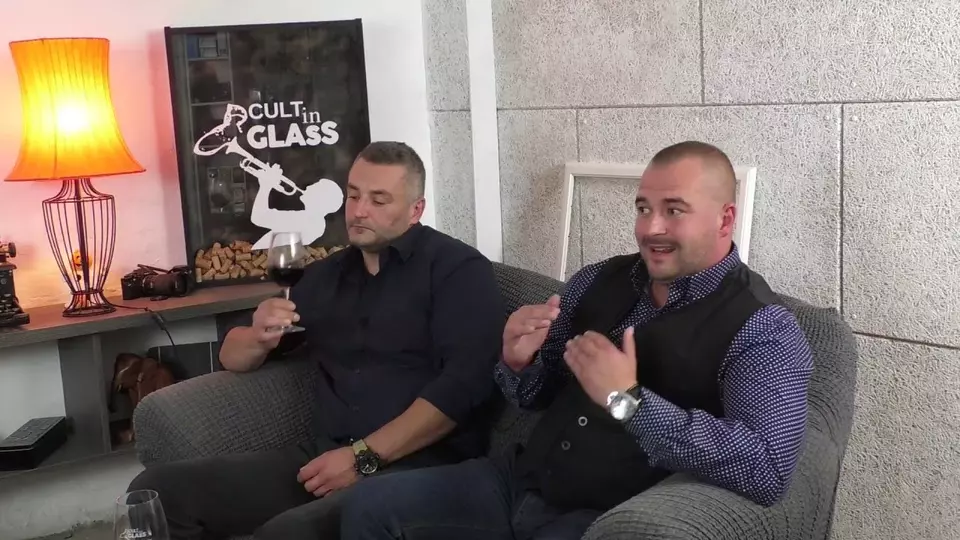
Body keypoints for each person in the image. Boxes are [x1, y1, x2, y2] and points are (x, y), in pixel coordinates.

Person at [338, 140, 815, 540]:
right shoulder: (598, 280)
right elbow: (536, 393)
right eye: (643, 208)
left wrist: (627, 401)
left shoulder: (763, 328)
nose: (651, 228)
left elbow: (766, 469)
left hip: (607, 515)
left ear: (725, 220)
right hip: (517, 482)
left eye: (674, 211)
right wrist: (517, 363)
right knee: (368, 508)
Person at [127, 141, 506, 540]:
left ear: (416, 210)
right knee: (156, 492)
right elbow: (233, 356)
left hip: (419, 468)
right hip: (326, 458)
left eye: (379, 200)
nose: (359, 211)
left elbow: (463, 389)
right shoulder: (327, 276)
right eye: (353, 195)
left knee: (284, 534)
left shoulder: (457, 271)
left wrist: (362, 457)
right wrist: (258, 335)